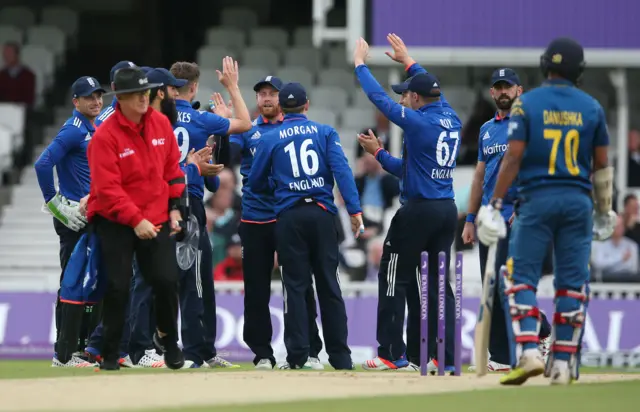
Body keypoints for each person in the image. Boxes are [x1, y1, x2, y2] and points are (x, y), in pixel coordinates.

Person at [477, 37, 617, 385]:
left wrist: (494, 203)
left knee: (519, 277)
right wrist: (604, 210)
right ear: (579, 70)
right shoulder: (591, 107)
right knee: (571, 285)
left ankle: (527, 352)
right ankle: (564, 364)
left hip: (536, 200)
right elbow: (602, 166)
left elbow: (513, 156)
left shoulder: (528, 104)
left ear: (545, 66)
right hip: (577, 202)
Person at [355, 34, 460, 372]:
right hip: (446, 209)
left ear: (416, 97)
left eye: (408, 95)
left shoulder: (418, 121)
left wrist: (360, 65)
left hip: (418, 211)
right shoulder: (451, 118)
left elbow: (379, 100)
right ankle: (439, 356)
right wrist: (409, 61)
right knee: (435, 285)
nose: (406, 100)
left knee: (392, 276)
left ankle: (390, 353)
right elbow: (406, 169)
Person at [249, 82, 363, 370]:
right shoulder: (325, 132)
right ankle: (341, 356)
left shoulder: (270, 138)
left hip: (290, 217)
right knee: (330, 285)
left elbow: (256, 181)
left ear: (282, 110)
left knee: (295, 287)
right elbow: (342, 171)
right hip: (324, 213)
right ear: (307, 105)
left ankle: (298, 355)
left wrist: (280, 183)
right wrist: (355, 210)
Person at [86, 67, 187, 370]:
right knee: (118, 285)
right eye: (138, 94)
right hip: (115, 220)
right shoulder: (105, 136)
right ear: (123, 98)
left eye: (146, 92)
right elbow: (107, 190)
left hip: (155, 214)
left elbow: (173, 170)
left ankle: (168, 341)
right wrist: (135, 220)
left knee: (167, 280)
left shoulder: (160, 124)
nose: (145, 98)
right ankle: (110, 353)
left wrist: (175, 207)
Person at [228, 76, 324, 370]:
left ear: (283, 99)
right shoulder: (247, 130)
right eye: (262, 94)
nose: (267, 98)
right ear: (256, 100)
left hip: (288, 216)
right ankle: (262, 354)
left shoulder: (295, 130)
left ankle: (309, 351)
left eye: (272, 94)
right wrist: (223, 128)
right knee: (256, 288)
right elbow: (227, 156)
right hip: (255, 218)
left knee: (299, 285)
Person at [462, 68, 551, 373]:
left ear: (519, 91)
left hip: (518, 216)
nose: (503, 92)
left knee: (508, 284)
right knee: (492, 288)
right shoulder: (487, 129)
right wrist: (471, 219)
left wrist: (521, 207)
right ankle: (501, 357)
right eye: (498, 88)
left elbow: (536, 169)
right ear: (492, 93)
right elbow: (479, 176)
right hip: (489, 219)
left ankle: (541, 330)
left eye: (508, 87)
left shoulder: (528, 124)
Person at [170, 58, 252, 368]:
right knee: (194, 278)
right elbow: (245, 122)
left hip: (159, 201)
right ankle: (195, 352)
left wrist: (203, 165)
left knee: (181, 275)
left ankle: (200, 349)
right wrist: (232, 86)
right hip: (187, 202)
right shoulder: (201, 119)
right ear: (193, 87)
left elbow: (213, 178)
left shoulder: (155, 120)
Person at [34, 76, 105, 367]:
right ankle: (63, 353)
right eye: (89, 97)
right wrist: (55, 205)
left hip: (91, 214)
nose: (96, 101)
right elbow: (42, 164)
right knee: (72, 283)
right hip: (75, 216)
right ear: (76, 101)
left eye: (99, 95)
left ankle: (81, 349)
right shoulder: (74, 130)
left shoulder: (94, 126)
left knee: (89, 284)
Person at [0, 42, 35, 106]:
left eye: (9, 53)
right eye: (5, 54)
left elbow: (29, 100)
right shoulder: (2, 75)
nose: (6, 56)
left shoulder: (28, 75)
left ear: (17, 55)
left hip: (21, 110)